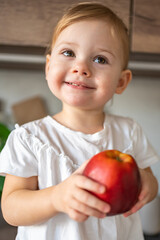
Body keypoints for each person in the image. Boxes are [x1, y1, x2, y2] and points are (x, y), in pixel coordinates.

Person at [0, 2, 159, 240]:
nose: (81, 67)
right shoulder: (30, 139)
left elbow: (150, 183)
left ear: (121, 82)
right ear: (48, 66)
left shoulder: (129, 132)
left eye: (100, 59)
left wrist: (147, 184)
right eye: (68, 53)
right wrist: (56, 198)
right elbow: (11, 209)